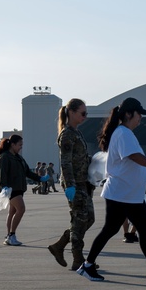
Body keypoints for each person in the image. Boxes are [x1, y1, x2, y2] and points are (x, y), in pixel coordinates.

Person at [77, 97, 146, 281]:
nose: (141, 118)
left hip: (127, 193)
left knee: (138, 230)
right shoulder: (123, 133)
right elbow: (133, 156)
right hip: (122, 193)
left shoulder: (123, 132)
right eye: (139, 114)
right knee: (119, 229)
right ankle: (88, 265)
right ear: (129, 113)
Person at [48, 98, 95, 271]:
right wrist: (70, 185)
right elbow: (65, 162)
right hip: (75, 183)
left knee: (87, 219)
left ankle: (60, 245)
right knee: (80, 219)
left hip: (83, 182)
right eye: (82, 113)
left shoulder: (77, 132)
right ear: (72, 112)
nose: (85, 116)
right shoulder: (67, 134)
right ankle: (78, 259)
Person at [0, 135, 46, 246]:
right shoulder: (5, 157)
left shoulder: (19, 158)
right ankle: (12, 235)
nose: (21, 147)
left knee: (12, 212)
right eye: (19, 145)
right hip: (10, 189)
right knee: (21, 209)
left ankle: (9, 236)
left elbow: (27, 172)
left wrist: (40, 178)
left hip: (20, 188)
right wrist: (3, 187)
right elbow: (1, 174)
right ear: (12, 144)